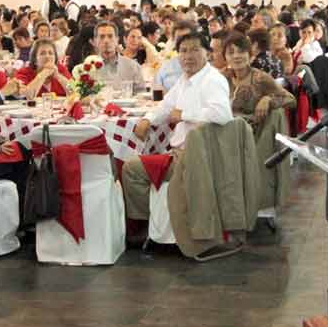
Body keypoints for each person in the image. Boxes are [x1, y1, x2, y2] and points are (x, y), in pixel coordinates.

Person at [122, 32, 233, 237]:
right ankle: (159, 222)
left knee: (131, 169)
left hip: (197, 159)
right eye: (183, 51)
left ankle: (150, 225)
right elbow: (166, 106)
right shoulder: (186, 79)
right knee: (139, 160)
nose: (188, 56)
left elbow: (223, 114)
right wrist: (148, 119)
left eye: (195, 50)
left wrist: (184, 114)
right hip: (183, 153)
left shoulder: (212, 80)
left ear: (208, 54)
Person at [222, 32, 295, 123]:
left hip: (252, 129)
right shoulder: (222, 78)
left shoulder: (260, 78)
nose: (236, 56)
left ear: (250, 55)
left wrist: (268, 99)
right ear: (225, 57)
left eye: (241, 51)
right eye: (231, 52)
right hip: (226, 126)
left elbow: (291, 99)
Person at [93, 21, 144, 90]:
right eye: (102, 37)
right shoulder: (87, 67)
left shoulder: (133, 66)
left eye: (110, 36)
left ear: (117, 39)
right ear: (95, 41)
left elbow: (141, 93)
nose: (106, 40)